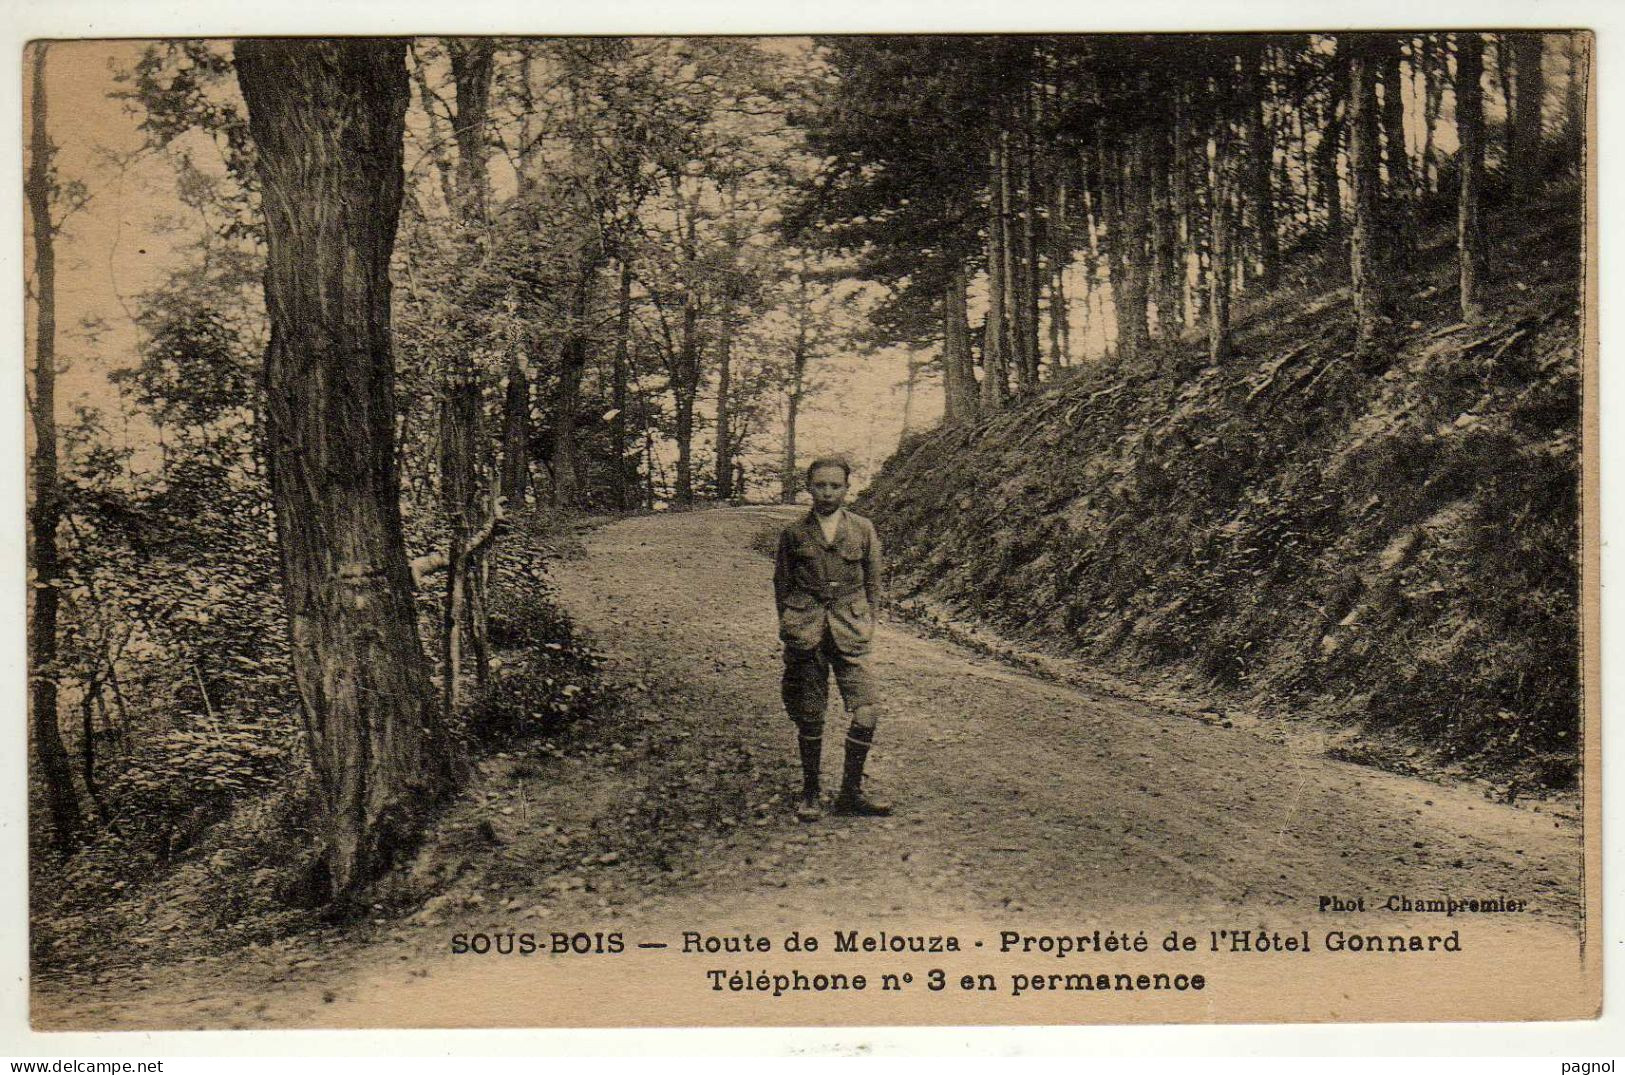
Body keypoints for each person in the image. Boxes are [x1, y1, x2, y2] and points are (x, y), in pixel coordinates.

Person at [773, 456, 891, 821]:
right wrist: (793, 621)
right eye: (820, 485)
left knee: (867, 709)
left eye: (835, 486)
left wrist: (866, 619)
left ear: (846, 489)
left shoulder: (863, 529)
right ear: (809, 488)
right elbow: (782, 583)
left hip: (850, 629)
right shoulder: (793, 534)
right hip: (806, 632)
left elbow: (874, 581)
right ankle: (810, 791)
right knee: (810, 715)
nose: (827, 493)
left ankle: (850, 793)